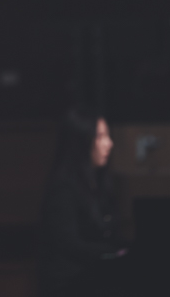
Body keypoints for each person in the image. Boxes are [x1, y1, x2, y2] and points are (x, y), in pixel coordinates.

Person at [39, 110, 128, 297]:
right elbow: (70, 245)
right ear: (82, 140)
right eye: (100, 136)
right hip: (70, 283)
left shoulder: (98, 182)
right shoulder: (63, 187)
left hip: (93, 275)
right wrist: (115, 253)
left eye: (108, 136)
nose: (109, 143)